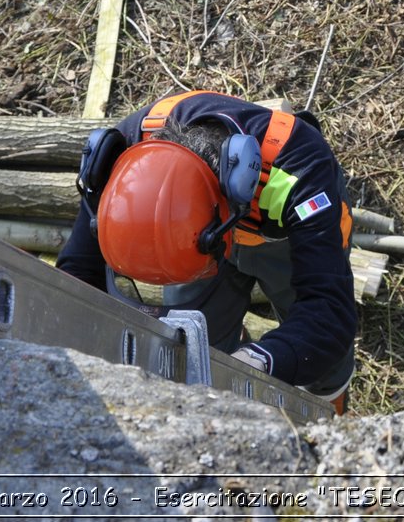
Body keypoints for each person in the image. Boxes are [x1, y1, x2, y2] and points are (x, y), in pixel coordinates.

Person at [57, 89, 357, 408]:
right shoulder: (121, 153)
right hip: (196, 243)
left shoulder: (301, 170)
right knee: (195, 340)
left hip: (282, 243)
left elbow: (328, 310)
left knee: (322, 358)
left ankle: (332, 404)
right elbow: (78, 268)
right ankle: (230, 340)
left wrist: (261, 361)